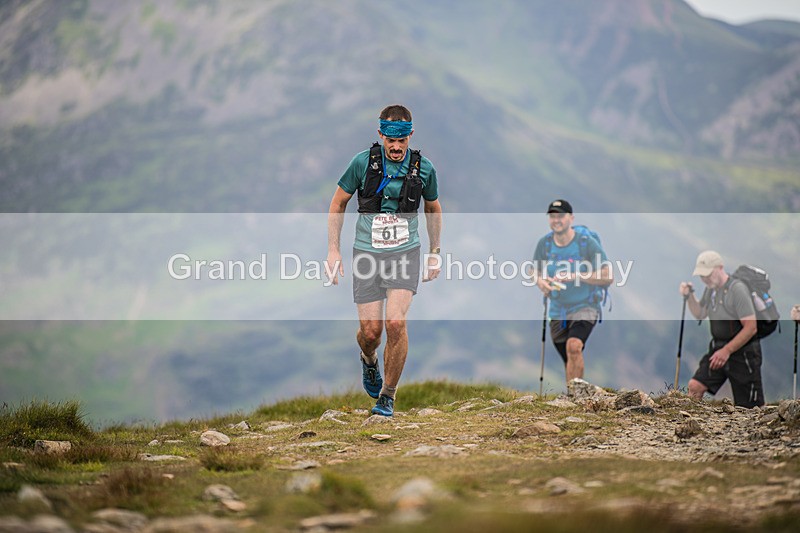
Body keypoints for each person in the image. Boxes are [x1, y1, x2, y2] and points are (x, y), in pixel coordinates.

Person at [326, 104, 442, 417]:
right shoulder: (362, 163)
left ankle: (387, 396)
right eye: (390, 140)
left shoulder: (424, 168)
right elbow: (338, 203)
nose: (395, 146)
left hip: (406, 252)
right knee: (371, 332)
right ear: (380, 134)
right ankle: (369, 360)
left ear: (410, 137)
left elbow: (433, 209)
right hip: (366, 253)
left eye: (401, 140)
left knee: (396, 321)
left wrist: (435, 253)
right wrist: (333, 250)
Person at [532, 199, 613, 385]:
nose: (556, 220)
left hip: (585, 304)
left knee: (574, 346)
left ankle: (575, 398)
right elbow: (534, 270)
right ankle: (574, 393)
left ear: (571, 218)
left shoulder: (586, 243)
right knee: (568, 355)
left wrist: (577, 276)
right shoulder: (545, 244)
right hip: (557, 309)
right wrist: (541, 283)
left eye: (560, 215)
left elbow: (608, 276)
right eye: (552, 216)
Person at [679, 250, 764, 408]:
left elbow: (751, 327)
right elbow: (700, 313)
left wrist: (727, 351)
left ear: (720, 268)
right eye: (702, 276)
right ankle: (691, 426)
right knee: (695, 386)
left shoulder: (737, 290)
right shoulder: (711, 289)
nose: (705, 279)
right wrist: (689, 296)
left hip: (743, 354)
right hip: (718, 349)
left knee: (748, 407)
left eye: (708, 274)